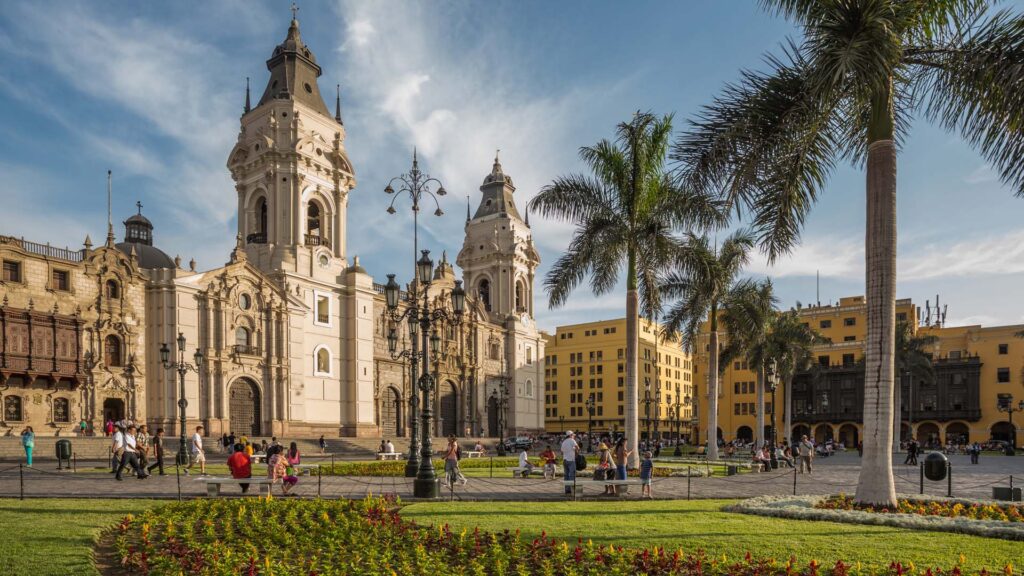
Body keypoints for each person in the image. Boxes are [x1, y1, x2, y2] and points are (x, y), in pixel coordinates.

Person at [560, 431, 580, 496]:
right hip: (571, 460)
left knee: (566, 476)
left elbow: (562, 452)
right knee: (572, 475)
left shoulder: (564, 442)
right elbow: (578, 447)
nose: (574, 436)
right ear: (571, 435)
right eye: (573, 435)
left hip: (565, 460)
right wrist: (576, 452)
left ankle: (567, 490)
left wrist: (569, 450)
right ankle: (572, 490)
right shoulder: (572, 440)